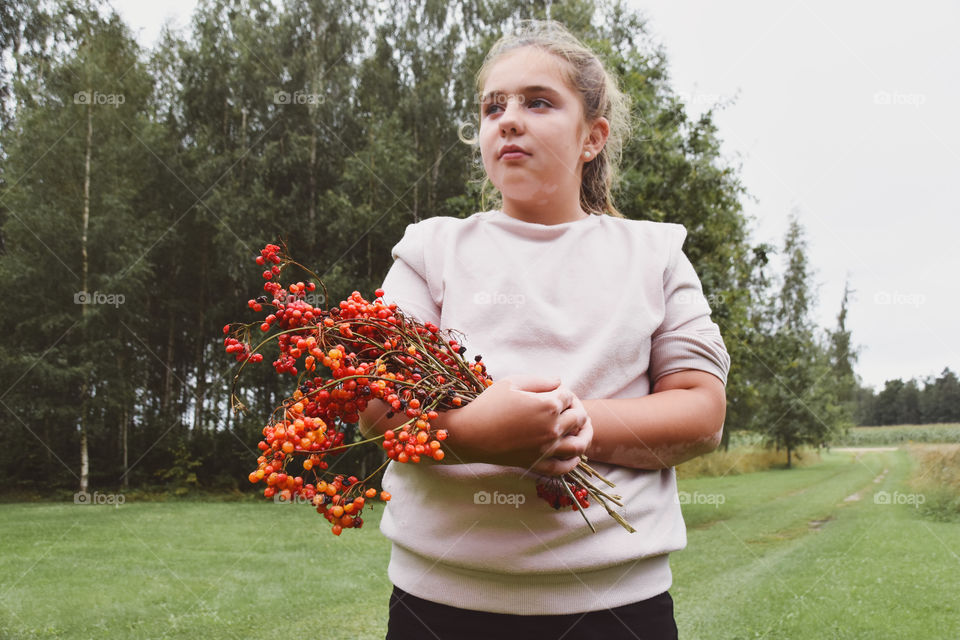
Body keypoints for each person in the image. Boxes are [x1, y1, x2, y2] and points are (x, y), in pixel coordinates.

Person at [358, 19, 730, 640]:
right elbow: (376, 407)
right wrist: (479, 435)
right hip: (440, 605)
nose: (508, 119)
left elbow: (701, 412)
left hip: (617, 606)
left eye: (538, 102)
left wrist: (569, 427)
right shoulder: (429, 250)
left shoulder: (656, 253)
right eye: (492, 106)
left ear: (592, 137)